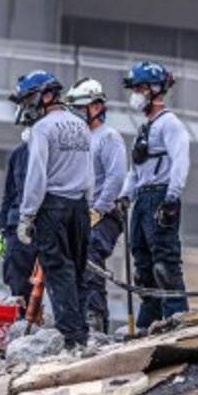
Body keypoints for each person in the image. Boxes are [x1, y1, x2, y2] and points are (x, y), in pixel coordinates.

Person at [10, 70, 94, 350]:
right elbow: (89, 171)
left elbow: (37, 176)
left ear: (46, 95)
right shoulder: (81, 125)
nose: (27, 105)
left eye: (29, 98)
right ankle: (81, 333)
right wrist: (88, 204)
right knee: (79, 270)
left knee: (59, 272)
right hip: (80, 206)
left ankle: (71, 340)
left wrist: (27, 215)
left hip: (53, 207)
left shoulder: (42, 129)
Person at [120, 60, 191, 327]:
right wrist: (125, 196)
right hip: (142, 200)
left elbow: (180, 161)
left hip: (161, 197)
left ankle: (177, 318)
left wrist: (172, 197)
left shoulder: (169, 124)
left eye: (139, 88)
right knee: (143, 267)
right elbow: (134, 171)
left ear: (155, 89)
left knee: (165, 266)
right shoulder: (145, 129)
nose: (135, 94)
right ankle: (148, 321)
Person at [64, 77, 128, 334]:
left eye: (81, 109)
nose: (78, 115)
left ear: (95, 107)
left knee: (90, 256)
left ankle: (95, 318)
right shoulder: (80, 139)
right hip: (82, 212)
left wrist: (99, 210)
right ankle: (77, 317)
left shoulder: (109, 138)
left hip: (105, 213)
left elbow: (116, 177)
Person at [0, 127, 38, 309]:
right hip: (17, 223)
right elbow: (9, 192)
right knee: (16, 276)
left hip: (45, 222)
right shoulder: (18, 154)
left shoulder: (53, 155)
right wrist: (4, 227)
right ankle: (21, 316)